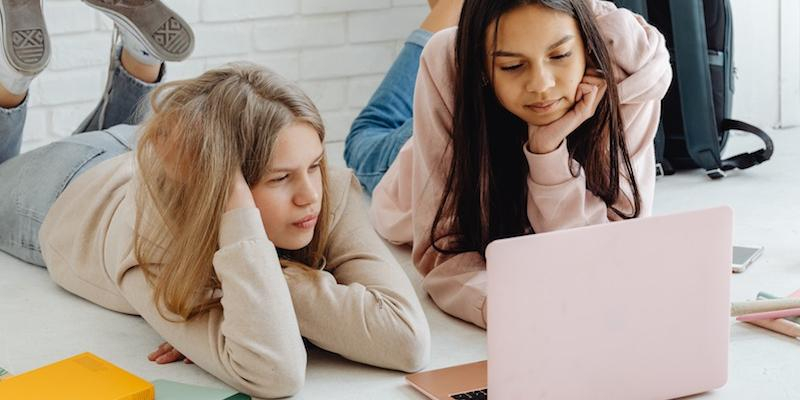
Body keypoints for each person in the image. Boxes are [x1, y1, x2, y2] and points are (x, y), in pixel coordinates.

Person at [0, 1, 429, 398]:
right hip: (69, 185)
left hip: (147, 146)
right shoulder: (156, 237)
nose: (309, 196)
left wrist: (250, 293)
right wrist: (244, 291)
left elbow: (407, 342)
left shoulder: (324, 192)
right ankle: (10, 81)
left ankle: (140, 56)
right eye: (280, 178)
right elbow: (275, 372)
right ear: (225, 184)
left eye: (315, 165)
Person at [345, 0, 672, 328]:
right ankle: (450, 7)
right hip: (413, 154)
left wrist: (547, 151)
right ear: (484, 69)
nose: (541, 85)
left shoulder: (629, 68)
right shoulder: (448, 61)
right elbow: (442, 258)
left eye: (559, 56)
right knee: (363, 139)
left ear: (587, 47)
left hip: (488, 97)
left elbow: (606, 254)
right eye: (512, 65)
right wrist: (513, 309)